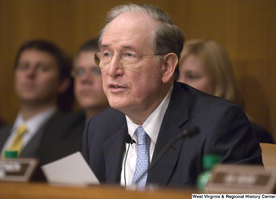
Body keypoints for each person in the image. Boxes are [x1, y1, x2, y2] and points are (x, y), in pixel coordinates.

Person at [82, 3, 262, 188]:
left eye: (129, 55)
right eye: (106, 54)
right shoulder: (99, 128)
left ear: (167, 66)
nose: (112, 70)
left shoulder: (219, 123)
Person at [178, 39, 274, 143]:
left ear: (218, 81)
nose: (179, 83)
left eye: (192, 76)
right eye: (176, 76)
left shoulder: (249, 135)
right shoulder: (172, 129)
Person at [0, 39, 74, 160]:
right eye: (24, 67)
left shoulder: (70, 135)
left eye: (42, 68)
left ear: (62, 83)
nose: (30, 73)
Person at [37, 38, 109, 166]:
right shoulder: (58, 127)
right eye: (80, 71)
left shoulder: (131, 129)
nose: (85, 79)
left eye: (97, 71)